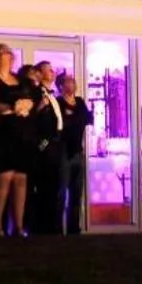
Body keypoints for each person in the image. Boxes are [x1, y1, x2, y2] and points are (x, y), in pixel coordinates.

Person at [0, 44, 35, 238]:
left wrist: (27, 104)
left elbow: (29, 96)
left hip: (21, 132)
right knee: (4, 178)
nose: (11, 56)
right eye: (7, 53)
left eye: (11, 53)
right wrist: (14, 107)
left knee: (21, 179)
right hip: (3, 132)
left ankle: (18, 226)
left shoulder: (20, 79)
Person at [26, 60, 65, 236]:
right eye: (48, 70)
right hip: (46, 146)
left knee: (54, 187)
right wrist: (43, 143)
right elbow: (33, 118)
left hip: (56, 144)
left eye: (52, 69)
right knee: (45, 187)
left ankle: (52, 226)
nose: (52, 72)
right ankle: (42, 227)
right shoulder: (36, 93)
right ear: (39, 74)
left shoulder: (53, 95)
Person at [55, 72, 93, 236]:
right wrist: (76, 119)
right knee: (61, 192)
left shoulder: (80, 102)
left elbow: (88, 118)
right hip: (64, 151)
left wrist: (75, 118)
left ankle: (74, 228)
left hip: (78, 150)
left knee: (77, 192)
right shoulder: (58, 102)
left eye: (73, 81)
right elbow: (63, 124)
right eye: (68, 81)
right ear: (61, 85)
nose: (72, 84)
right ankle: (57, 228)